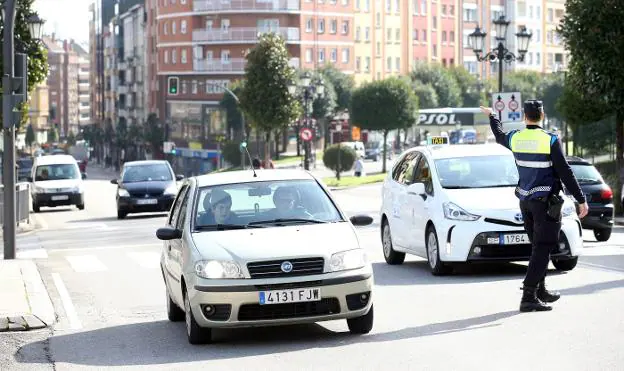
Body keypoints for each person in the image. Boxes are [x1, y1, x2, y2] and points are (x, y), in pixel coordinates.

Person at [481, 100, 588, 313]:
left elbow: (499, 135)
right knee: (544, 246)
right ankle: (528, 296)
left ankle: (541, 289)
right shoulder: (550, 140)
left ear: (524, 116)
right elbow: (565, 171)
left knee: (539, 247)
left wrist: (493, 115)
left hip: (526, 202)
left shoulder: (516, 138)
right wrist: (580, 198)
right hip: (545, 204)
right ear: (542, 114)